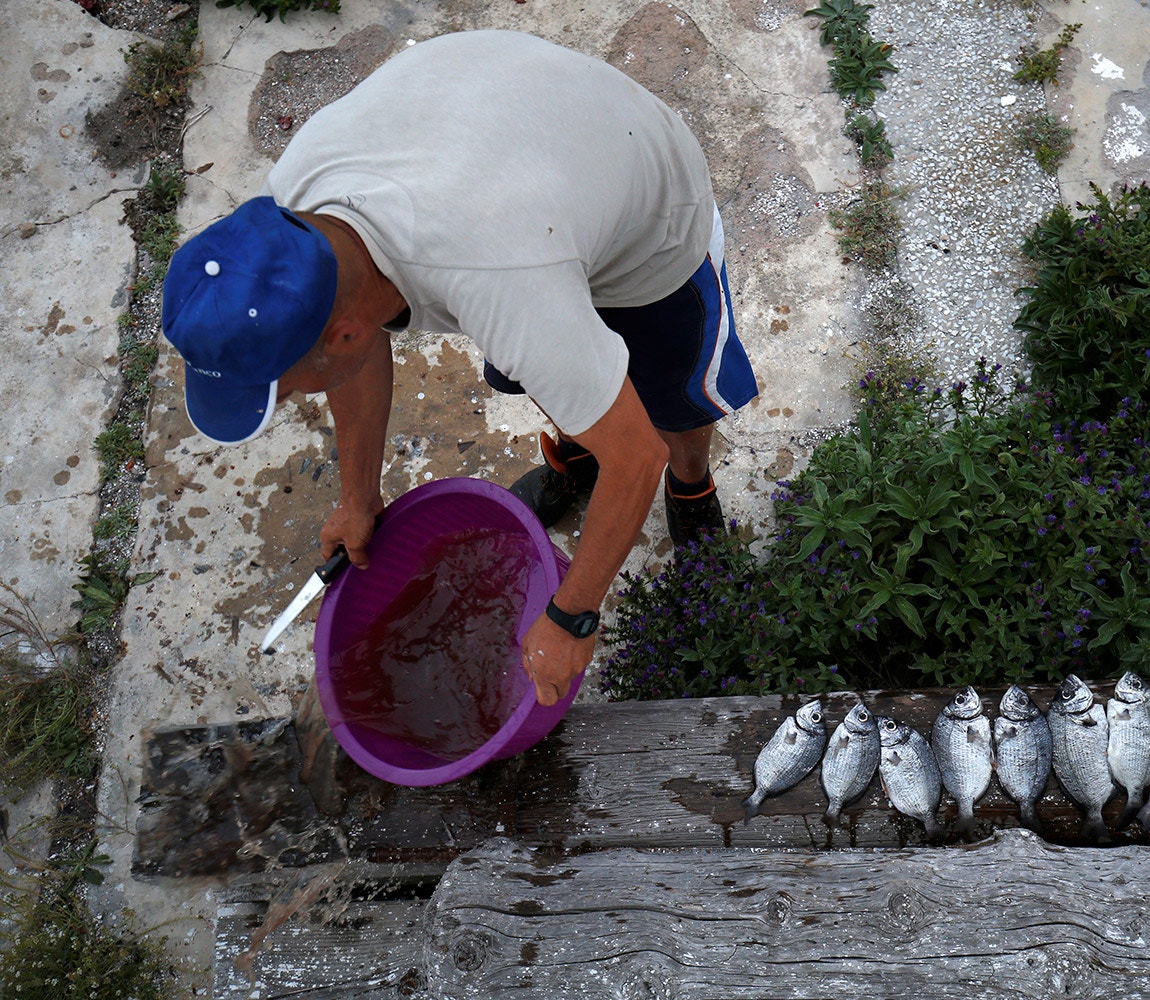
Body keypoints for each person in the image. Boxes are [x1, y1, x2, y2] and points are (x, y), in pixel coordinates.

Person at [159, 30, 757, 707]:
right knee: (560, 377)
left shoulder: (499, 281)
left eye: (288, 384)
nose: (293, 394)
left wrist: (572, 617)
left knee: (671, 405)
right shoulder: (294, 215)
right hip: (526, 173)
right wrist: (357, 497)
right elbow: (349, 354)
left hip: (648, 209)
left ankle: (694, 485)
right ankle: (573, 452)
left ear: (345, 331)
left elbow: (634, 455)